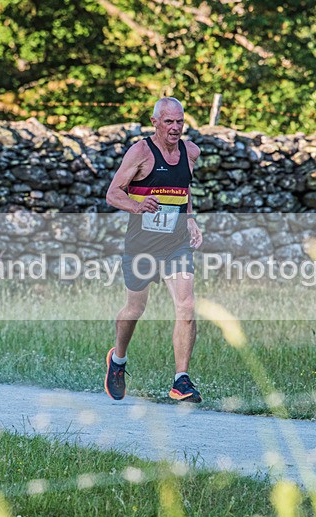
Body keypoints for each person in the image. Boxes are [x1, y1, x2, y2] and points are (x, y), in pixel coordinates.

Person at [104, 97, 204, 403]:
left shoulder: (191, 152)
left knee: (186, 305)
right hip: (142, 246)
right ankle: (118, 360)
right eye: (169, 122)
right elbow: (112, 194)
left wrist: (190, 220)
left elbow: (182, 190)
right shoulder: (141, 152)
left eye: (179, 122)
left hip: (176, 244)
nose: (175, 128)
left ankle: (180, 380)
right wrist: (137, 205)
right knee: (135, 308)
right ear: (155, 122)